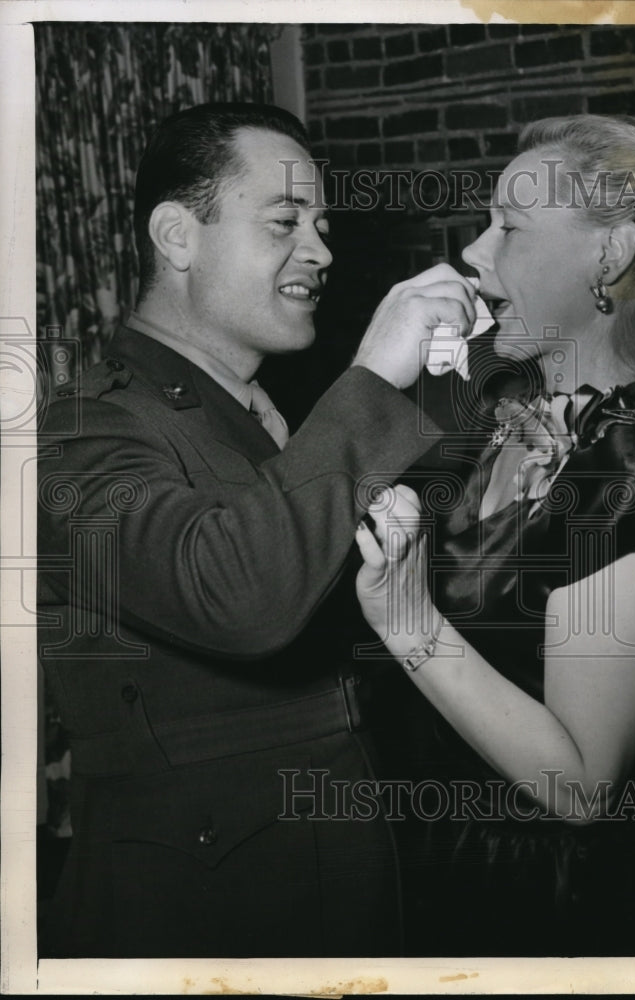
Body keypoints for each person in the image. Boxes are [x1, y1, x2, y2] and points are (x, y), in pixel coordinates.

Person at [36, 102, 479, 958]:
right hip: (200, 924)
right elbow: (236, 596)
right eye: (283, 222)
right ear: (177, 236)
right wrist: (373, 377)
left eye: (320, 223)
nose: (319, 250)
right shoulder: (78, 427)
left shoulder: (264, 419)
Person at [355, 114, 635, 957]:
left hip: (549, 910)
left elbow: (583, 782)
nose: (474, 256)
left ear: (610, 254)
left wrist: (410, 625)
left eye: (508, 229)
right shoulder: (508, 416)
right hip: (434, 872)